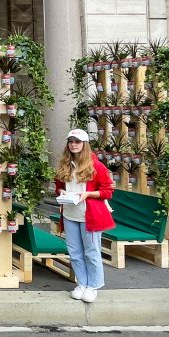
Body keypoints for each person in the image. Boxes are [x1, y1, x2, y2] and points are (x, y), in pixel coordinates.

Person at [54, 128, 115, 303]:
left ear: (84, 144)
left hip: (90, 215)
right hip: (70, 213)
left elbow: (107, 191)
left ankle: (93, 285)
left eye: (77, 142)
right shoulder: (65, 164)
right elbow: (58, 185)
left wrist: (88, 195)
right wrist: (62, 192)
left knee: (92, 251)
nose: (74, 145)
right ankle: (82, 283)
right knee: (74, 252)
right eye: (71, 141)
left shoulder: (96, 166)